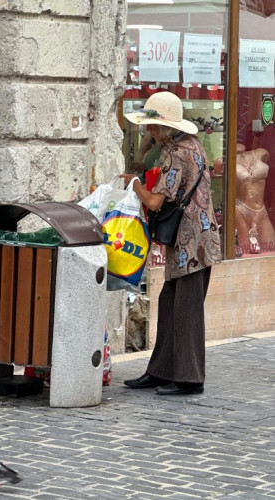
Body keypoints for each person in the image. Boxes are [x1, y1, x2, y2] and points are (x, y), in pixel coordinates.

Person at [120, 91, 222, 396]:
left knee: (187, 311)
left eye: (152, 126)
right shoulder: (191, 146)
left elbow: (153, 202)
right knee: (170, 304)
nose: (148, 131)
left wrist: (133, 184)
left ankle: (190, 379)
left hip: (194, 245)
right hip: (192, 242)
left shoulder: (177, 153)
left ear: (166, 126)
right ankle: (160, 371)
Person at [235, 144, 275, 253]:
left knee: (271, 251)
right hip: (240, 209)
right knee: (248, 253)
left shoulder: (261, 153)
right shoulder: (223, 161)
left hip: (261, 209)